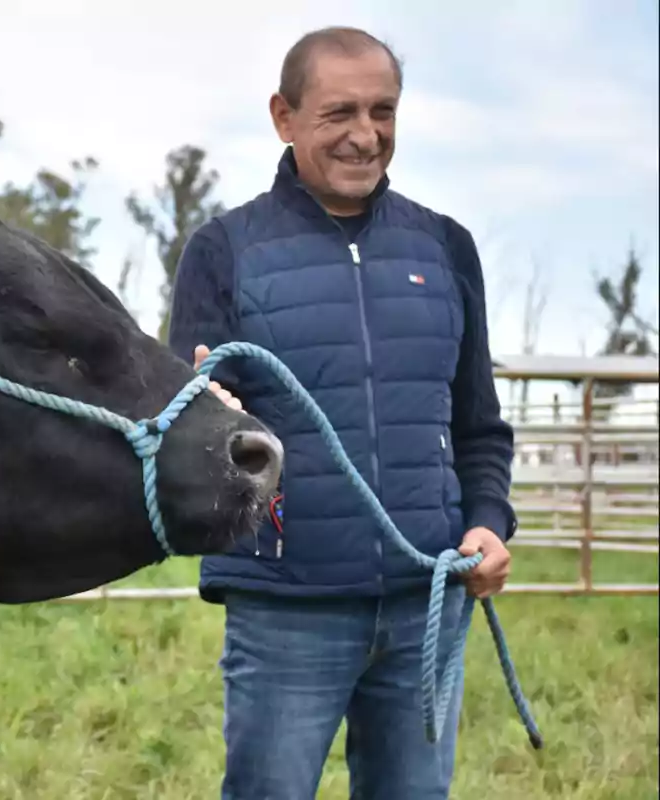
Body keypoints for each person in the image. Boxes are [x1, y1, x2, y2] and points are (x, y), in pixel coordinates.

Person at [167, 26, 518, 800]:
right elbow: (190, 436)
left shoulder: (446, 248)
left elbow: (479, 427)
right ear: (283, 117)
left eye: (383, 111)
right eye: (339, 114)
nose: (366, 136)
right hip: (286, 608)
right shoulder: (223, 251)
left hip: (428, 602)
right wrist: (202, 409)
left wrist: (490, 520)